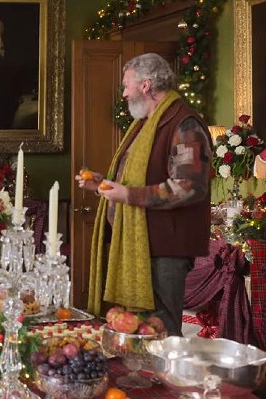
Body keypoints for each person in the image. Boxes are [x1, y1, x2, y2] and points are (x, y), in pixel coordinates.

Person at [76, 53, 212, 336]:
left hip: (166, 248)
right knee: (136, 332)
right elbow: (136, 180)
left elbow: (189, 186)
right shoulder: (145, 124)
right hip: (141, 244)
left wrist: (129, 195)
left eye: (126, 85)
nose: (124, 93)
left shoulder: (184, 123)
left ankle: (164, 381)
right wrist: (104, 185)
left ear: (146, 85)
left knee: (161, 331)